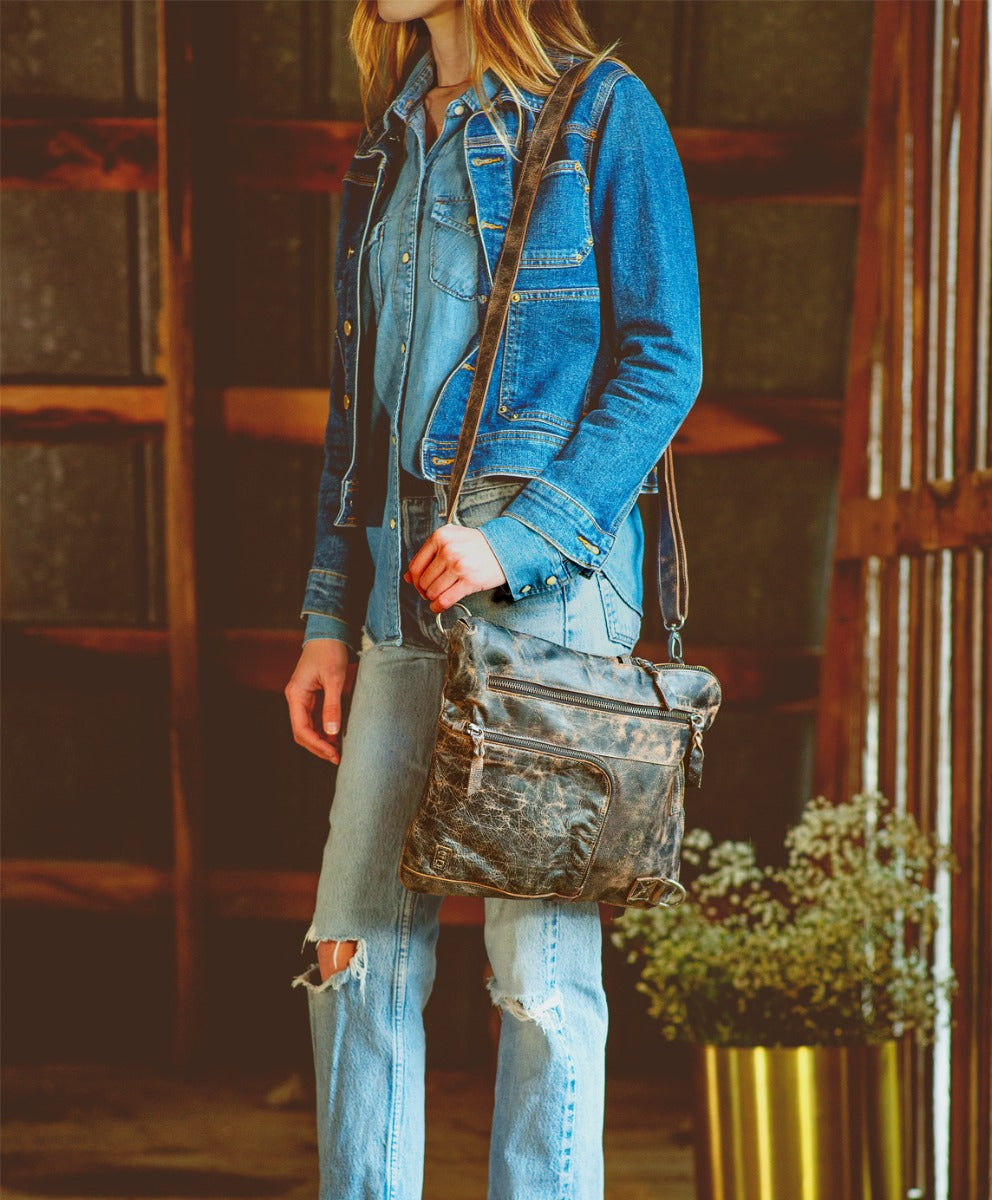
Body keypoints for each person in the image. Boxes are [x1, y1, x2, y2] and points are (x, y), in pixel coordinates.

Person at [283, 1, 701, 1196]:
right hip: (396, 595)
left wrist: (519, 539)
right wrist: (325, 615)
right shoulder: (389, 142)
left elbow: (663, 356)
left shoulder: (603, 114)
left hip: (544, 610)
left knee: (536, 979)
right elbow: (352, 416)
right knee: (350, 953)